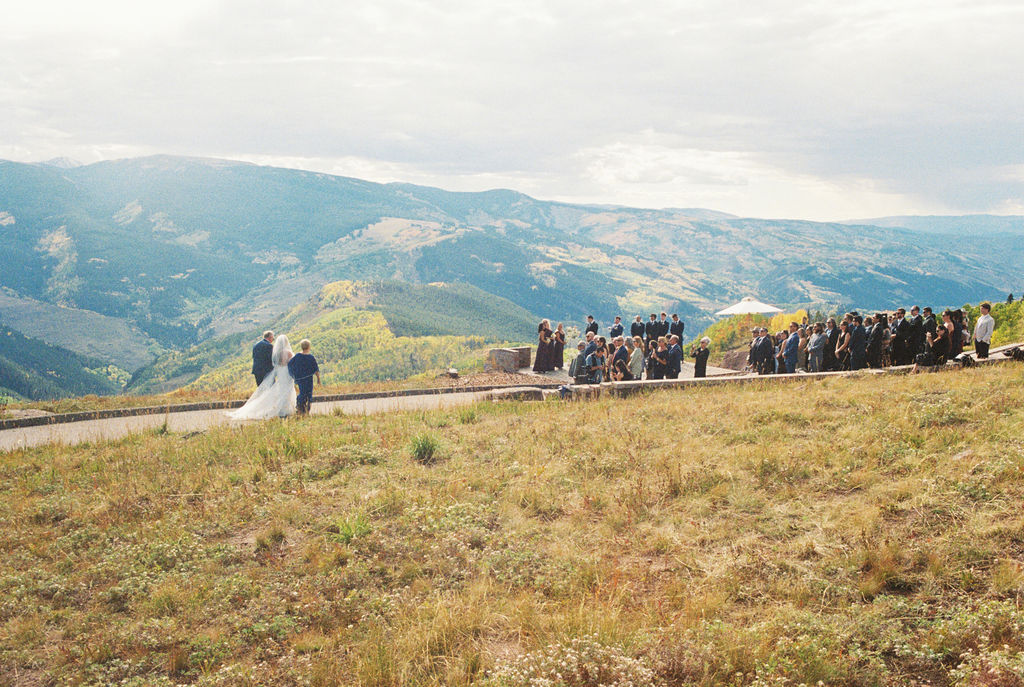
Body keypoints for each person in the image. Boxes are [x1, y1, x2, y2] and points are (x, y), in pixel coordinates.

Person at [230, 334, 296, 420]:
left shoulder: (275, 353)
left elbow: (272, 362)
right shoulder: (288, 353)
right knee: (287, 390)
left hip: (279, 373)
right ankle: (285, 409)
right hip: (286, 373)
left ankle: (281, 409)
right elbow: (292, 363)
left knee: (281, 390)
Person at [287, 339, 320, 415]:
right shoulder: (311, 357)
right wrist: (318, 379)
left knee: (302, 393)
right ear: (309, 347)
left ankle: (300, 408)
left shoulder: (297, 356)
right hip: (308, 379)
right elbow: (316, 369)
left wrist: (293, 374)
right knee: (308, 394)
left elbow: (290, 365)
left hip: (300, 379)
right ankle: (306, 410)